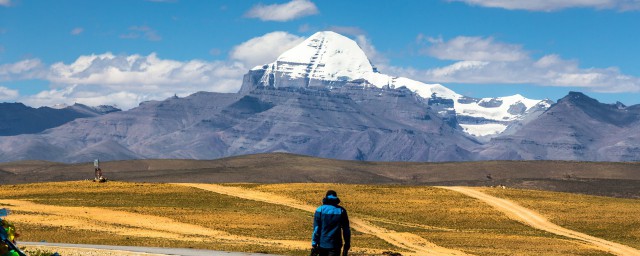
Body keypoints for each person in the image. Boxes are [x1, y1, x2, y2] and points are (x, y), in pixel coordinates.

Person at [312, 190, 351, 256]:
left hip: (322, 244)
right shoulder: (342, 211)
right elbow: (346, 229)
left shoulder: (320, 210)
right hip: (336, 245)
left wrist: (314, 244)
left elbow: (316, 229)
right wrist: (347, 243)